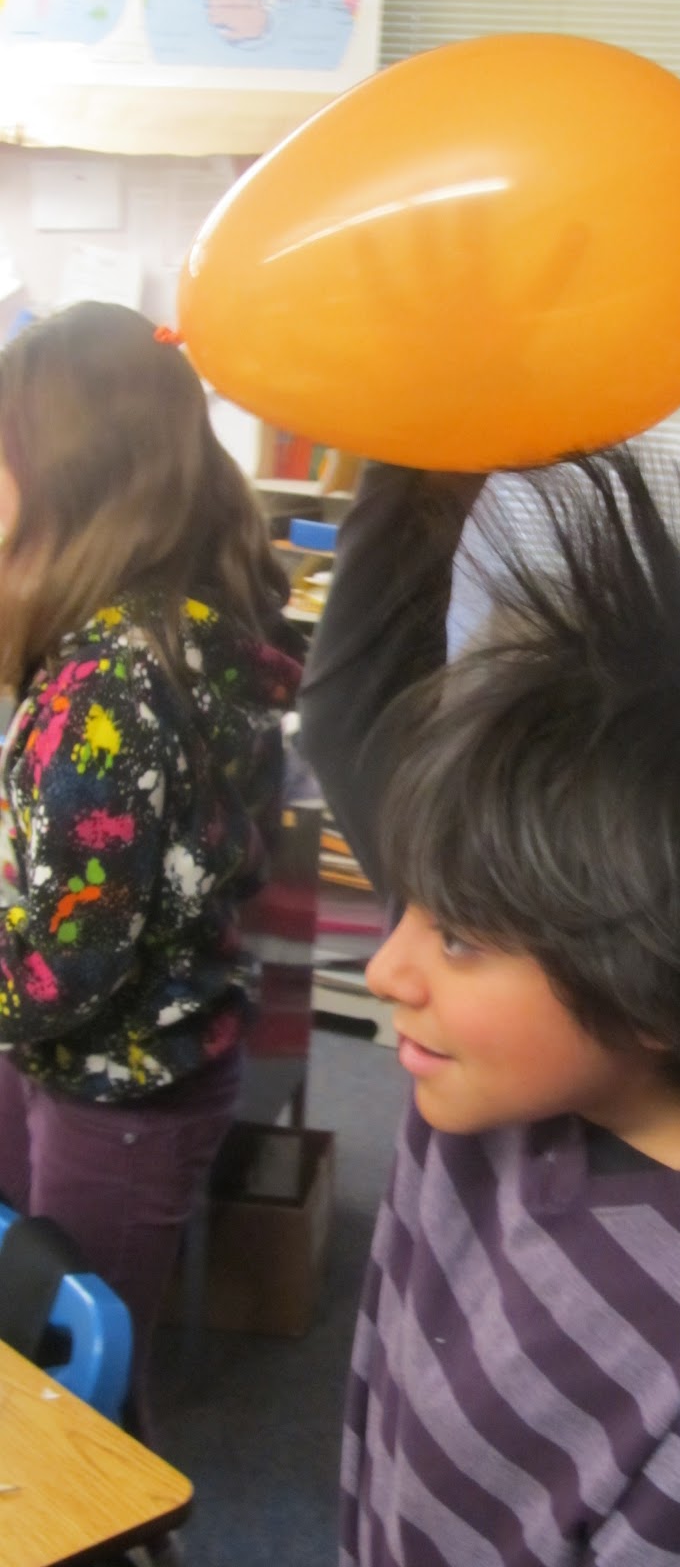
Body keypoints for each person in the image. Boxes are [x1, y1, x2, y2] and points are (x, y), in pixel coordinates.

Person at [299, 447, 680, 1566]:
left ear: (653, 979)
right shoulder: (507, 1066)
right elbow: (354, 710)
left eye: (457, 935)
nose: (387, 969)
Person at [0, 301, 303, 1433]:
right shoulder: (171, 625)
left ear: (71, 476)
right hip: (114, 1060)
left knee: (78, 1403)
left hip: (116, 1086)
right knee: (35, 1322)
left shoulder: (105, 688)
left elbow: (61, 972)